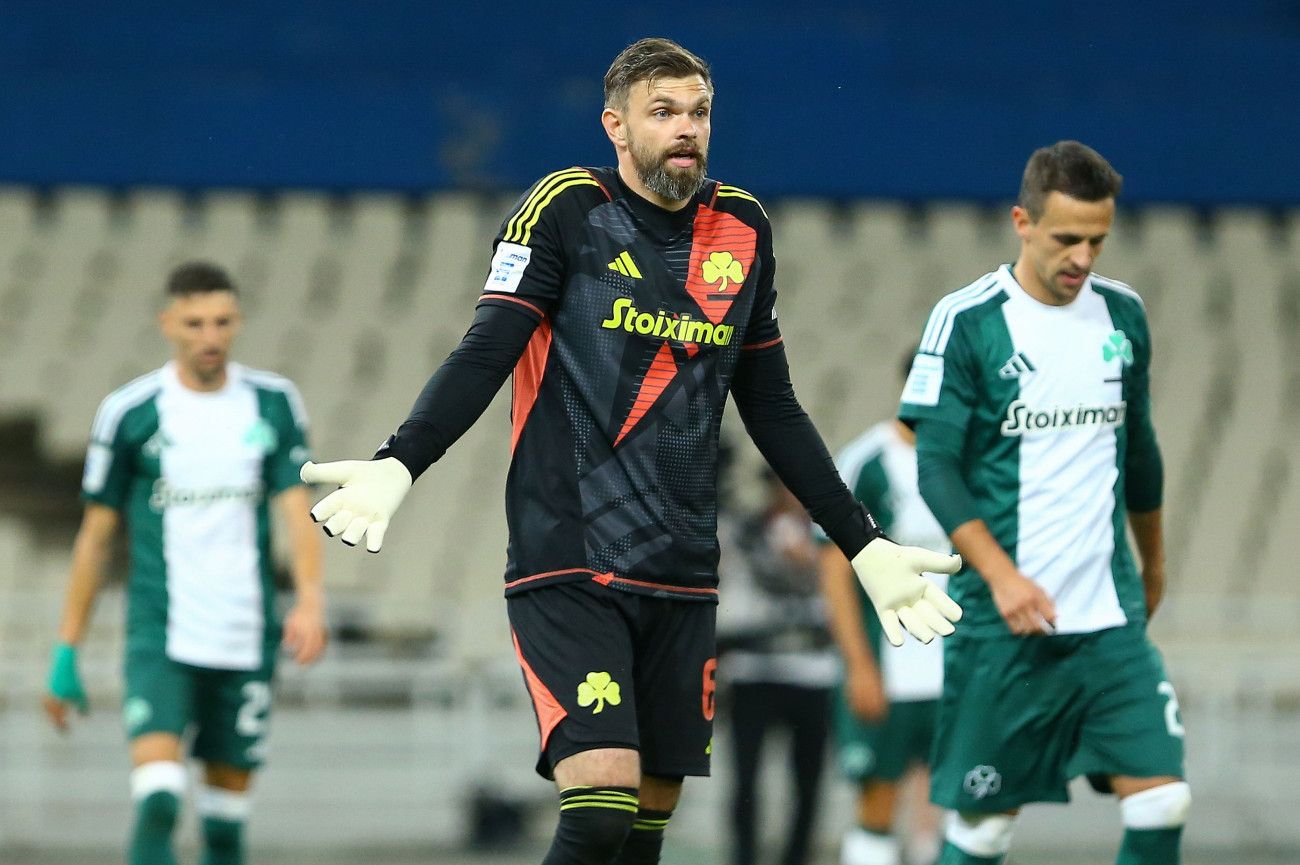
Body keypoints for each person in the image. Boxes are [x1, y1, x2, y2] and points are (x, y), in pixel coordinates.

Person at [302, 37, 961, 865]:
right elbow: (487, 349)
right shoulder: (568, 208)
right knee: (601, 810)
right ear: (615, 126)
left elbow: (772, 405)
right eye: (664, 112)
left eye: (699, 112)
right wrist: (402, 458)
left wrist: (860, 539)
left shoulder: (742, 227)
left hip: (683, 569)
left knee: (646, 830)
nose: (687, 128)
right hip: (570, 554)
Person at [899, 141, 1188, 865]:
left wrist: (1154, 563)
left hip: (1109, 622)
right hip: (1006, 626)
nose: (1082, 257)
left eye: (1098, 240)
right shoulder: (967, 320)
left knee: (1162, 799)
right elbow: (935, 468)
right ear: (1022, 222)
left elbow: (1141, 452)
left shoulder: (1123, 315)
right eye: (1066, 238)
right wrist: (1003, 577)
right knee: (984, 828)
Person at [44, 262, 328, 865]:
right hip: (161, 635)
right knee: (159, 801)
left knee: (224, 826)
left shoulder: (273, 403)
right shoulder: (130, 411)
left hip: (246, 635)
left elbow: (296, 508)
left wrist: (309, 600)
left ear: (238, 322)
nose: (209, 336)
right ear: (167, 324)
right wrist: (67, 650)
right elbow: (95, 538)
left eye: (222, 322)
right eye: (195, 323)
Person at [820, 349, 950, 865]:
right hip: (889, 665)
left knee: (957, 802)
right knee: (878, 799)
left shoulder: (967, 461)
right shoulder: (867, 462)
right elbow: (834, 569)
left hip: (955, 666)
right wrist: (858, 665)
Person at [718, 470, 836, 865]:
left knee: (808, 782)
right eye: (781, 483)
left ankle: (796, 857)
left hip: (813, 673)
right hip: (753, 671)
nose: (790, 492)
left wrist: (812, 561)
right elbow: (731, 597)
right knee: (745, 780)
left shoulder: (830, 533)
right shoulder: (744, 530)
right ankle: (744, 857)